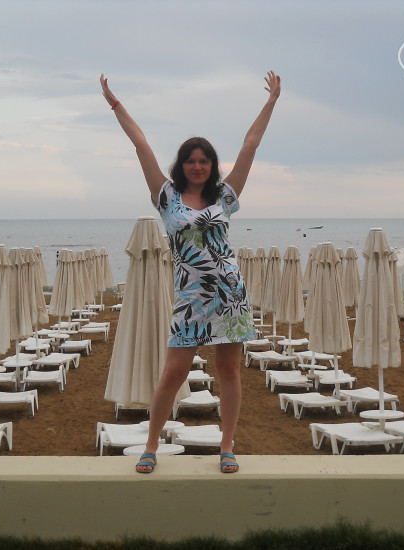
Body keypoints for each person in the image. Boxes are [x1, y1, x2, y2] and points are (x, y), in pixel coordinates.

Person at [100, 71, 281, 473]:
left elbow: (251, 144)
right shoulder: (166, 196)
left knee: (229, 370)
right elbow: (141, 144)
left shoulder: (225, 196)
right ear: (181, 165)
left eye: (204, 161)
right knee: (172, 373)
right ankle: (151, 445)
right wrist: (115, 104)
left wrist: (270, 102)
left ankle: (227, 445)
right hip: (190, 298)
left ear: (212, 165)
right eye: (191, 161)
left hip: (230, 294)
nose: (198, 166)